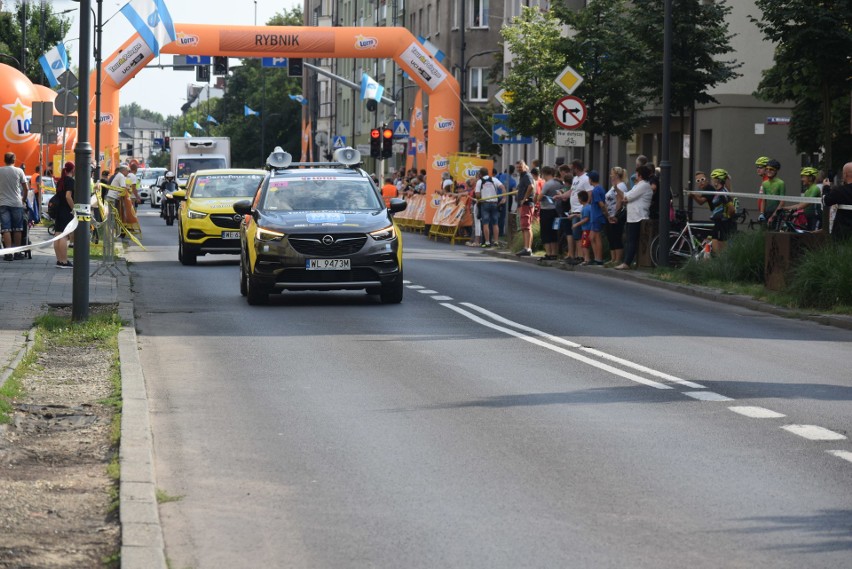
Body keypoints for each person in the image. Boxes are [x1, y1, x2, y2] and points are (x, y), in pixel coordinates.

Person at [615, 164, 653, 270]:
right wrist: (616, 188)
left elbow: (628, 197)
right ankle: (632, 261)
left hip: (638, 216)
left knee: (632, 241)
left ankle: (627, 263)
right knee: (630, 240)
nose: (635, 175)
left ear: (640, 175)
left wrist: (626, 198)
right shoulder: (638, 185)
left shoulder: (643, 185)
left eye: (636, 173)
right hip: (633, 217)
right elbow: (626, 195)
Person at [691, 169, 735, 254]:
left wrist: (726, 217)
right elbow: (701, 197)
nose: (701, 182)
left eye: (702, 180)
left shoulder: (717, 191)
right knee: (713, 247)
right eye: (698, 181)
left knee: (719, 250)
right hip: (717, 221)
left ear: (717, 180)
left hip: (721, 222)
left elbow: (731, 208)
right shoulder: (716, 191)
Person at [0, 152, 29, 261]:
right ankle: (17, 252)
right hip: (17, 203)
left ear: (4, 160)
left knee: (5, 228)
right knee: (18, 228)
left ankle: (8, 253)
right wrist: (24, 199)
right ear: (14, 160)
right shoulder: (19, 171)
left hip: (2, 203)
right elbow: (26, 188)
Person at [778, 167, 822, 231]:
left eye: (803, 177)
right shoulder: (807, 191)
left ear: (810, 178)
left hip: (815, 218)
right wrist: (785, 208)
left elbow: (805, 204)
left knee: (813, 237)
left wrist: (794, 209)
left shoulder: (815, 188)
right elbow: (800, 204)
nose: (802, 179)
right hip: (808, 218)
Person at [536, 166, 562, 260]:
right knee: (554, 232)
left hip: (546, 209)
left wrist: (538, 197)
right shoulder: (558, 183)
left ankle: (549, 253)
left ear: (544, 173)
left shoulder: (547, 184)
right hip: (556, 210)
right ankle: (555, 253)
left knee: (546, 232)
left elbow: (540, 197)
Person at [474, 167, 505, 248]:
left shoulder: (479, 182)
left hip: (485, 204)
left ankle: (487, 242)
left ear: (480, 174)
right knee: (495, 223)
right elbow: (503, 187)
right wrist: (504, 198)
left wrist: (479, 199)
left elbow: (477, 194)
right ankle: (496, 241)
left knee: (485, 224)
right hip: (494, 203)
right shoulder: (494, 179)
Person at [53, 161, 76, 268]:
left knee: (57, 235)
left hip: (59, 209)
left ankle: (59, 260)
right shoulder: (70, 181)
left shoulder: (60, 181)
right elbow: (68, 196)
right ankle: (64, 261)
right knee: (64, 235)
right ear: (72, 170)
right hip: (66, 210)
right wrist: (73, 209)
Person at [823, 162, 852, 241]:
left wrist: (826, 187)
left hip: (842, 233)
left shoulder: (840, 191)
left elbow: (826, 201)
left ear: (845, 175)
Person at [605, 167, 628, 266]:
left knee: (616, 236)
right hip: (609, 215)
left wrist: (615, 214)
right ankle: (613, 258)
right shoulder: (613, 186)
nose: (610, 176)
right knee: (611, 236)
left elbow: (619, 200)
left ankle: (618, 259)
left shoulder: (621, 186)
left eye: (612, 174)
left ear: (617, 175)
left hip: (616, 215)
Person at [514, 160, 536, 256]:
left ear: (524, 166)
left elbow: (531, 186)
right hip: (523, 205)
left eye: (520, 167)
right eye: (517, 167)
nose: (519, 168)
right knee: (524, 227)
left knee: (526, 227)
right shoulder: (523, 176)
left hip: (527, 204)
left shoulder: (527, 175)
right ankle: (525, 248)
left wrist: (524, 198)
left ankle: (528, 248)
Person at [587, 170, 608, 265]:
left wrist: (607, 215)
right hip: (595, 216)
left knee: (596, 237)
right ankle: (596, 258)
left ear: (591, 180)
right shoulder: (599, 188)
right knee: (591, 237)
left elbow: (601, 204)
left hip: (597, 216)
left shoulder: (596, 190)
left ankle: (599, 259)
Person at [759, 159, 786, 224]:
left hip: (777, 213)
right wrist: (761, 213)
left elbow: (782, 202)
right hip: (766, 212)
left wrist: (774, 215)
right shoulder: (764, 183)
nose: (768, 171)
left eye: (771, 169)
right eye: (767, 169)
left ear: (776, 170)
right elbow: (763, 200)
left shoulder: (781, 183)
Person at [570, 190, 592, 265]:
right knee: (584, 244)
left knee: (584, 245)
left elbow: (586, 219)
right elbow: (583, 216)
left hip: (587, 229)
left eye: (578, 198)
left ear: (581, 199)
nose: (578, 200)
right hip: (586, 229)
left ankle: (587, 259)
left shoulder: (585, 208)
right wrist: (575, 215)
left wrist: (576, 224)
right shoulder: (587, 207)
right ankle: (586, 259)